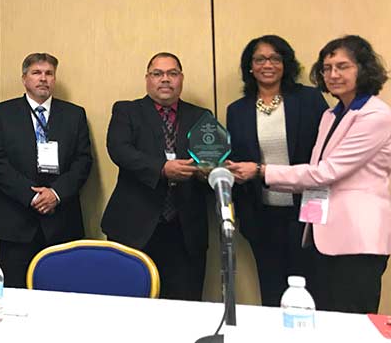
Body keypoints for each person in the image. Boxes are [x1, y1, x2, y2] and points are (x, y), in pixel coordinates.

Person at [229, 35, 391, 314]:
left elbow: (325, 173)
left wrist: (261, 171)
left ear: (363, 69)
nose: (333, 74)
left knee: (351, 321)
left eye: (343, 67)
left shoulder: (375, 115)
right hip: (321, 230)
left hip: (357, 235)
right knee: (321, 315)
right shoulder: (333, 114)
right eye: (327, 68)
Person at [225, 35, 327, 306]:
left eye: (274, 58)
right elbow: (236, 157)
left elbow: (326, 153)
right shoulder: (237, 110)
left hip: (306, 213)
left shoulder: (309, 99)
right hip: (261, 214)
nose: (267, 64)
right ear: (250, 66)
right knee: (270, 290)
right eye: (259, 59)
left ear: (285, 64)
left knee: (309, 290)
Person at [101, 52, 210, 301]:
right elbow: (119, 150)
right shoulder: (127, 110)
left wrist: (208, 172)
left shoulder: (202, 116)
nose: (165, 80)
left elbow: (211, 160)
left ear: (181, 79)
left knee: (185, 305)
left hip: (186, 230)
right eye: (157, 74)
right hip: (135, 226)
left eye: (172, 73)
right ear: (147, 79)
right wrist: (162, 168)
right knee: (131, 305)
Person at [0, 53, 92, 288]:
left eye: (49, 73)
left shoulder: (74, 114)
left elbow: (83, 162)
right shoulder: (3, 113)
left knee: (61, 292)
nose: (43, 78)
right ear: (24, 79)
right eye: (36, 73)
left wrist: (55, 194)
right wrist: (31, 196)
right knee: (15, 295)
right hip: (16, 220)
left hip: (61, 219)